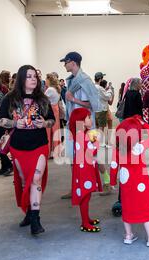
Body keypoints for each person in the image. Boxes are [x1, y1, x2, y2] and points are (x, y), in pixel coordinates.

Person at [0, 65, 56, 234]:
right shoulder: (10, 98)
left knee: (36, 179)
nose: (33, 79)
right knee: (25, 182)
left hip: (39, 145)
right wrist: (15, 123)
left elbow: (51, 120)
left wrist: (44, 123)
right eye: (29, 76)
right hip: (18, 147)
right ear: (22, 78)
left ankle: (35, 220)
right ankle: (29, 212)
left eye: (35, 76)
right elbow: (1, 120)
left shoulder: (42, 99)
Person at [110, 115, 149, 247]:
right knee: (145, 206)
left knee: (127, 206)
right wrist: (143, 124)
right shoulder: (139, 146)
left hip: (125, 183)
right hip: (141, 183)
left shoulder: (117, 149)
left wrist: (112, 182)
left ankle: (128, 235)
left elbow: (113, 166)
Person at [59, 51, 101, 199]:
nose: (64, 64)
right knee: (73, 159)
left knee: (92, 158)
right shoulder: (73, 81)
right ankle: (76, 187)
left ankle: (105, 182)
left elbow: (94, 105)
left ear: (73, 62)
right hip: (74, 125)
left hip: (86, 126)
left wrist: (73, 100)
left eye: (66, 62)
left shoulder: (85, 81)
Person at [69, 108, 103, 232]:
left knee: (87, 195)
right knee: (85, 195)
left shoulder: (85, 133)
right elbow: (91, 151)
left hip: (87, 167)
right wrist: (97, 142)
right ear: (81, 121)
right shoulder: (80, 135)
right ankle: (84, 223)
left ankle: (86, 218)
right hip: (84, 170)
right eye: (88, 117)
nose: (91, 119)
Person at [94, 72, 113, 148]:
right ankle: (101, 142)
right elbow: (107, 97)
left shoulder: (93, 86)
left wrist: (105, 90)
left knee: (96, 127)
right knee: (101, 127)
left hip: (95, 109)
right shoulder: (100, 88)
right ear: (100, 79)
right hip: (101, 109)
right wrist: (110, 90)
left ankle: (95, 141)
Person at [44, 73, 61, 159]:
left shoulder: (49, 89)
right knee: (55, 131)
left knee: (48, 132)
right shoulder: (56, 89)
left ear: (49, 80)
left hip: (50, 110)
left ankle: (48, 152)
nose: (45, 81)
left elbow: (43, 100)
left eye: (46, 79)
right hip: (56, 109)